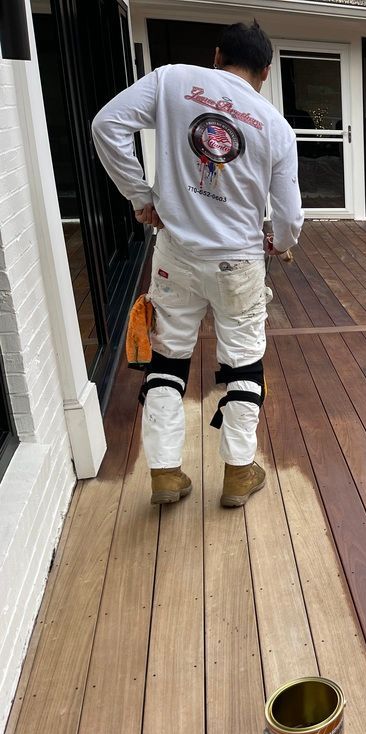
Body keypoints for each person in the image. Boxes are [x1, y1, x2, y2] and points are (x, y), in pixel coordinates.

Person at [92, 21, 303, 507]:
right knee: (243, 361)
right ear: (266, 72)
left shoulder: (170, 81)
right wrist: (278, 239)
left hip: (176, 255)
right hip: (239, 263)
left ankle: (165, 473)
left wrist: (140, 196)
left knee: (168, 359)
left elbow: (107, 126)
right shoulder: (275, 125)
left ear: (216, 55)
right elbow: (290, 217)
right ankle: (237, 473)